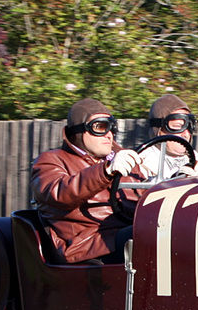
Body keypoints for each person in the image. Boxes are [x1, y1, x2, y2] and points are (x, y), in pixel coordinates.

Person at [30, 98, 143, 263]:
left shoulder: (124, 160)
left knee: (178, 232)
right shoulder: (51, 160)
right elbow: (58, 194)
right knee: (151, 237)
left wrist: (180, 182)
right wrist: (106, 171)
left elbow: (146, 201)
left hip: (126, 232)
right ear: (78, 131)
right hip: (88, 244)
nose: (109, 134)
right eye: (100, 127)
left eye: (112, 127)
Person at [137, 94, 198, 184]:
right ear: (158, 129)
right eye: (177, 126)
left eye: (189, 127)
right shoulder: (140, 162)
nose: (186, 134)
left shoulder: (195, 159)